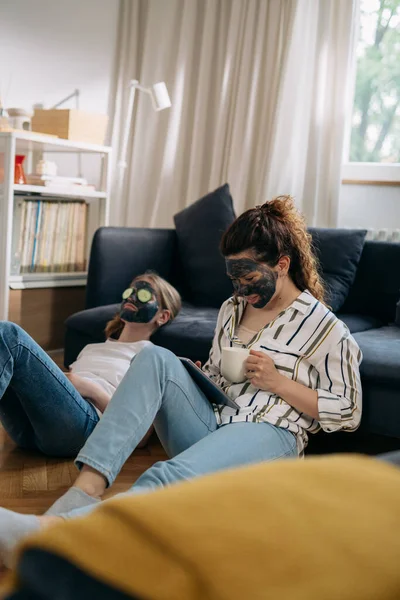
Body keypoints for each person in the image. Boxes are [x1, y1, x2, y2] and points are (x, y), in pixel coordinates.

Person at [0, 196, 363, 566]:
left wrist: (278, 382)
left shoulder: (326, 328)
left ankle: (53, 539)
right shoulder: (232, 310)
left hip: (270, 433)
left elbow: (349, 411)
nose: (240, 289)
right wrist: (198, 377)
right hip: (216, 423)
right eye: (234, 278)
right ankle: (84, 491)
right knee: (155, 356)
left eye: (249, 277)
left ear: (282, 264)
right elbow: (224, 379)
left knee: (166, 474)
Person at [0, 273, 181, 457]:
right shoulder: (90, 348)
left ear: (163, 316)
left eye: (143, 293)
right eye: (130, 291)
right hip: (29, 432)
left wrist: (90, 389)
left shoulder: (152, 357)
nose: (132, 296)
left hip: (84, 428)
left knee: (9, 335)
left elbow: (141, 437)